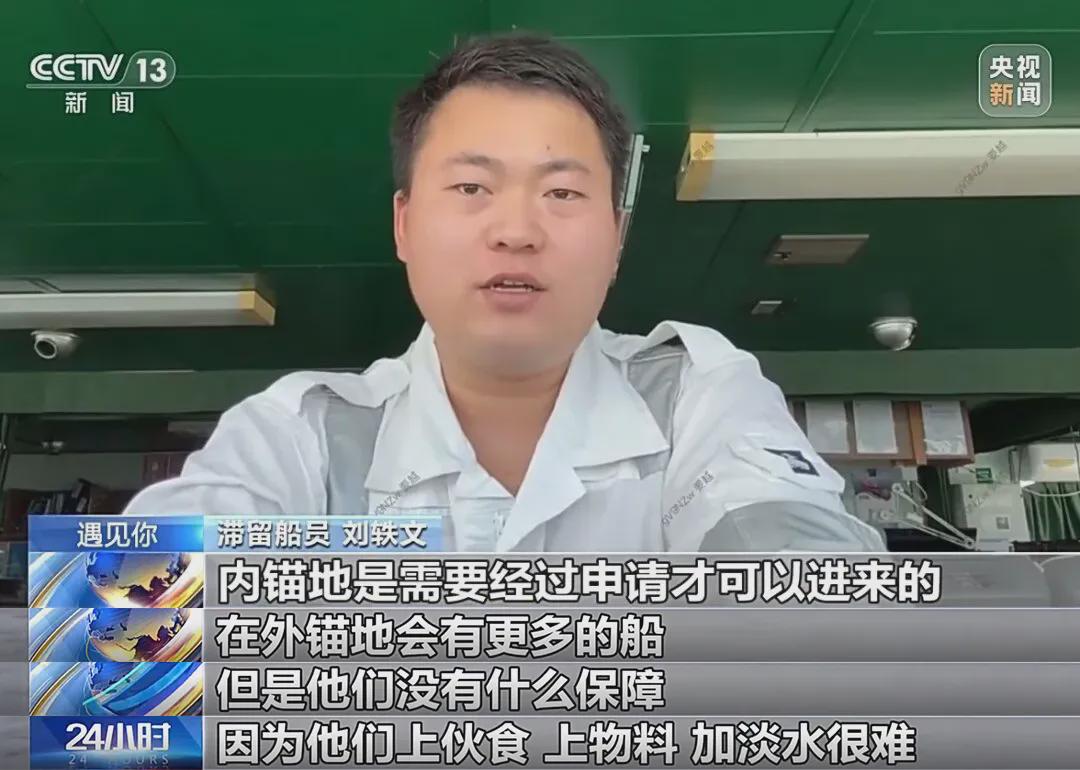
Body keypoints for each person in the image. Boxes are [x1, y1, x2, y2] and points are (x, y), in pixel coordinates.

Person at [124, 34, 884, 553]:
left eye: (562, 192)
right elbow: (123, 654)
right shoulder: (301, 433)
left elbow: (804, 583)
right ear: (404, 225)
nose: (516, 230)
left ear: (616, 238)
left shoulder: (695, 393)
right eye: (471, 187)